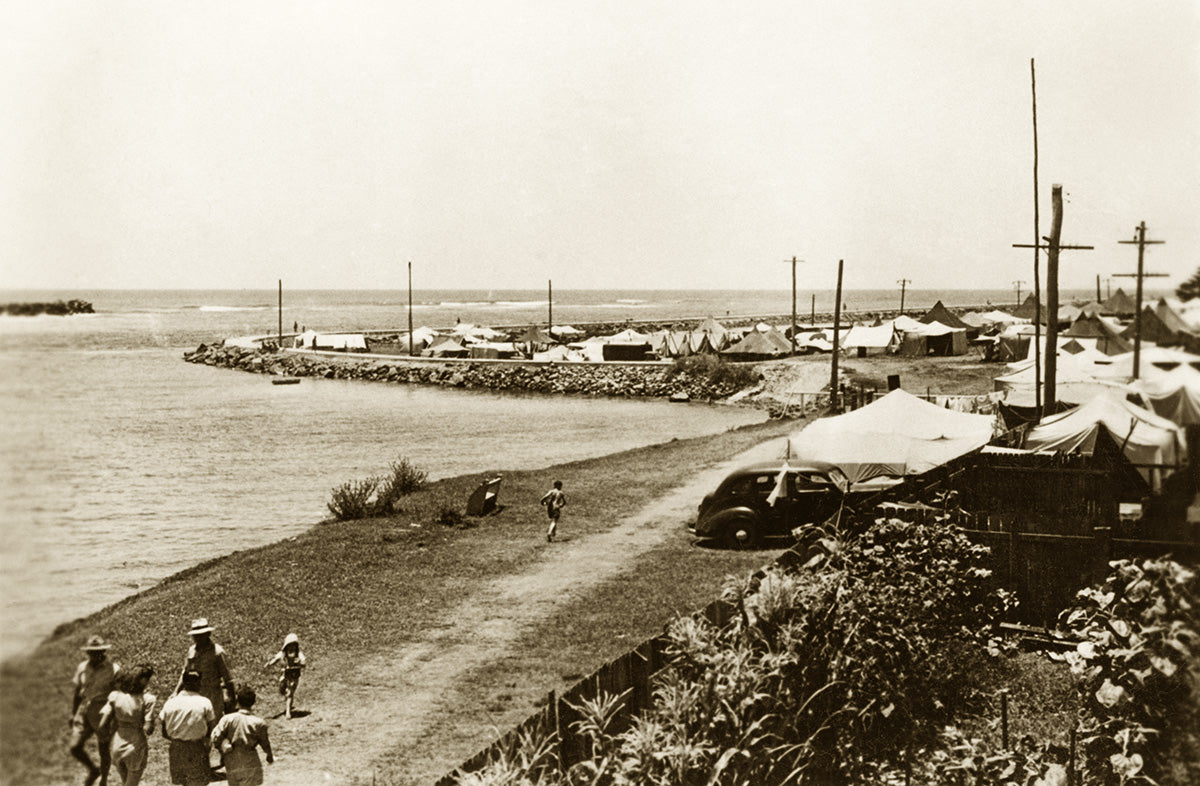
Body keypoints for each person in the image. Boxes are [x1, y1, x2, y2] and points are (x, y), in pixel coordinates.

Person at [70, 635, 120, 786]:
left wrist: (113, 717)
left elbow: (118, 694)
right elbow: (78, 691)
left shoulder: (114, 669)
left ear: (104, 652)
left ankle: (103, 779)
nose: (94, 655)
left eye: (98, 652)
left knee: (103, 749)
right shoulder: (82, 667)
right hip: (85, 709)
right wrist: (73, 714)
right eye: (91, 652)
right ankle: (93, 769)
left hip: (103, 710)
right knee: (75, 747)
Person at [97, 664, 156, 786]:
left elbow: (102, 725)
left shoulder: (115, 696)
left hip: (116, 744)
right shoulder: (147, 699)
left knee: (126, 783)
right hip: (135, 745)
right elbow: (148, 729)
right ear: (143, 681)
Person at [159, 671, 215, 786]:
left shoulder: (170, 703)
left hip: (176, 748)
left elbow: (164, 732)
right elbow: (211, 728)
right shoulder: (205, 702)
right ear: (199, 683)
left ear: (183, 683)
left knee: (182, 783)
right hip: (197, 747)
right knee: (199, 782)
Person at [211, 686, 274, 786]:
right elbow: (265, 743)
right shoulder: (259, 723)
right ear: (253, 701)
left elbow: (215, 737)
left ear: (237, 701)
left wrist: (222, 749)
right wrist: (269, 755)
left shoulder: (227, 719)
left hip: (231, 761)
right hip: (250, 761)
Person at [173, 618, 234, 718]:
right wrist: (176, 692)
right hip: (194, 695)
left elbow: (228, 679)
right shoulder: (191, 650)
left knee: (213, 726)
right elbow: (185, 673)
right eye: (195, 635)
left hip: (212, 696)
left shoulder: (217, 652)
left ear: (208, 634)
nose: (198, 638)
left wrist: (232, 701)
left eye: (201, 635)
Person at [263, 633, 307, 718]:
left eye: (293, 645)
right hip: (285, 675)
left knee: (289, 693)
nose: (291, 647)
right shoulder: (283, 654)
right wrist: (269, 664)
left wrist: (300, 663)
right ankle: (287, 700)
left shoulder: (298, 654)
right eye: (289, 645)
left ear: (296, 646)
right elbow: (275, 659)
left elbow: (304, 663)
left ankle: (288, 712)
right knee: (282, 690)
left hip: (294, 676)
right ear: (286, 646)